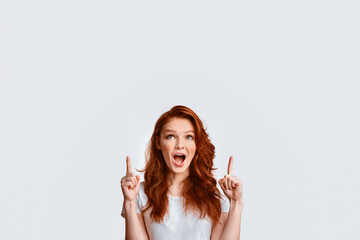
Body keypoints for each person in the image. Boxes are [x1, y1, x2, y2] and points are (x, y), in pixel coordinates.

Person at [120, 105, 244, 240]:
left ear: (197, 144)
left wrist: (236, 202)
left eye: (189, 137)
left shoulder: (214, 197)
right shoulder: (140, 194)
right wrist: (129, 202)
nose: (180, 144)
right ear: (158, 142)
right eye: (171, 136)